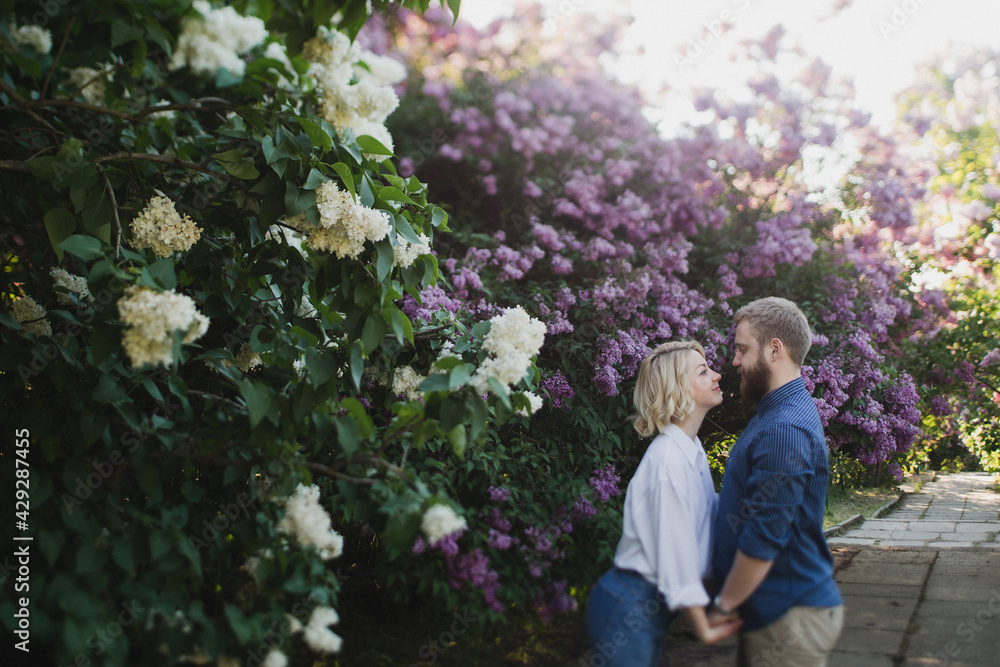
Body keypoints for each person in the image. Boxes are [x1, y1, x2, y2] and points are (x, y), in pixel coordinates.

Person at [586, 341, 742, 666]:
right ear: (678, 391)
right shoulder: (667, 461)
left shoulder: (692, 449)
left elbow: (703, 526)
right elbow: (676, 551)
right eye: (704, 371)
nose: (717, 375)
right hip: (628, 603)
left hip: (650, 604)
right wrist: (704, 626)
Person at [708, 297, 843, 667]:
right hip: (777, 616)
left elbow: (764, 536)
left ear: (775, 349)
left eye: (742, 349)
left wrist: (722, 606)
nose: (734, 360)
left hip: (788, 622)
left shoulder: (785, 428)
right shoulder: (779, 412)